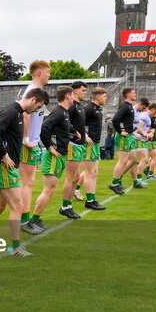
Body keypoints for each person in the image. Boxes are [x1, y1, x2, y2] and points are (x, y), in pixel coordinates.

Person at [0, 88, 49, 257]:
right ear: (33, 99)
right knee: (17, 206)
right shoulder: (12, 111)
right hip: (5, 165)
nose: (36, 111)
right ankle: (16, 248)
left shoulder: (18, 113)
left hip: (9, 165)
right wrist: (4, 155)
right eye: (38, 106)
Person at [24, 86, 75, 232]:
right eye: (72, 95)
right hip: (53, 155)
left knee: (51, 190)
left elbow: (64, 127)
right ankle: (32, 221)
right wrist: (50, 147)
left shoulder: (64, 113)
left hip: (61, 155)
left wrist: (75, 132)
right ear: (67, 96)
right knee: (48, 189)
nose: (74, 97)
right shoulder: (58, 111)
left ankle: (36, 219)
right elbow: (45, 127)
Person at [19, 60, 51, 230]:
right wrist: (27, 140)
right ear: (39, 72)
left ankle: (25, 219)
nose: (49, 75)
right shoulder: (31, 91)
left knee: (28, 182)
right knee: (26, 183)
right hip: (27, 145)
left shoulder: (37, 91)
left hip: (32, 143)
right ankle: (24, 221)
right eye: (47, 72)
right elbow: (25, 114)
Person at [77, 87, 108, 210]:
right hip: (89, 144)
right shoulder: (89, 108)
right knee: (90, 173)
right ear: (98, 96)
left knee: (94, 172)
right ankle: (90, 200)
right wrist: (85, 136)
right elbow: (77, 123)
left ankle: (92, 198)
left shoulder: (97, 109)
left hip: (95, 144)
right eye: (104, 96)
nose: (106, 99)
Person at [62, 81, 88, 215]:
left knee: (76, 178)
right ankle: (65, 206)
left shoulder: (80, 106)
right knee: (71, 178)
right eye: (83, 90)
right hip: (72, 145)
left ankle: (69, 205)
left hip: (80, 145)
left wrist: (85, 136)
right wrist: (73, 133)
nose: (85, 93)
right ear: (75, 91)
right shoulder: (71, 107)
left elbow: (80, 125)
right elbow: (65, 122)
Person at [108, 87, 139, 194]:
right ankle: (114, 183)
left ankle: (118, 180)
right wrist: (120, 131)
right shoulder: (125, 106)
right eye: (133, 93)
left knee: (132, 159)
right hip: (124, 137)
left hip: (129, 136)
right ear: (128, 95)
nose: (135, 95)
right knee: (122, 160)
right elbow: (115, 119)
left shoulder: (129, 106)